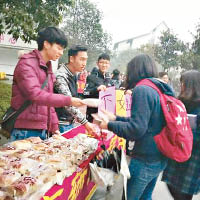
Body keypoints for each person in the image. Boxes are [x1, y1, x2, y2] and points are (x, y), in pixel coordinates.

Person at [99, 54, 175, 200]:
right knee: (145, 196)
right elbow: (144, 121)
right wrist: (116, 118)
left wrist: (108, 125)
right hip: (159, 155)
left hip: (145, 158)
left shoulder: (142, 89)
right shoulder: (158, 88)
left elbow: (136, 129)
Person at [10, 27, 84, 141]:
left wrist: (54, 127)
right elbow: (35, 95)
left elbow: (48, 103)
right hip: (25, 129)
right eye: (59, 48)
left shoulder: (47, 68)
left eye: (62, 49)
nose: (61, 53)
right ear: (46, 44)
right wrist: (68, 100)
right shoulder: (27, 63)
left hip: (41, 129)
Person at [162, 70, 200, 200]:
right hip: (177, 154)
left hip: (192, 156)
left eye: (183, 83)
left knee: (183, 193)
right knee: (172, 186)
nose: (181, 86)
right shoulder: (181, 102)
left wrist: (184, 134)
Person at [54, 45, 95, 134]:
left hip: (69, 122)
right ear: (72, 59)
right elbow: (68, 103)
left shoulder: (73, 75)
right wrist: (85, 122)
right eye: (82, 59)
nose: (84, 63)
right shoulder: (61, 76)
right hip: (59, 124)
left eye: (85, 60)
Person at [83, 53, 113, 122]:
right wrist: (96, 89)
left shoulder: (109, 79)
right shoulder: (91, 77)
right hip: (93, 115)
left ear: (109, 65)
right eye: (101, 62)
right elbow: (84, 93)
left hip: (106, 115)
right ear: (97, 63)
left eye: (106, 63)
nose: (104, 65)